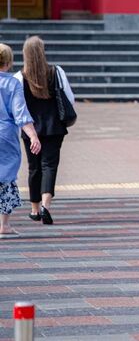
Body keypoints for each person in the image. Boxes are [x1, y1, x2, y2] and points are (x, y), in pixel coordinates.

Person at [14, 36, 74, 226]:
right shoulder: (56, 72)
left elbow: (17, 106)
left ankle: (34, 209)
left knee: (34, 167)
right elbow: (69, 98)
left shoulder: (19, 76)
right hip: (54, 126)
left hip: (30, 128)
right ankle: (46, 206)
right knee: (50, 165)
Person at [0, 44, 41, 238]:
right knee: (6, 178)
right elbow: (20, 113)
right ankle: (4, 225)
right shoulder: (13, 83)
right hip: (6, 135)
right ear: (8, 63)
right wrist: (33, 135)